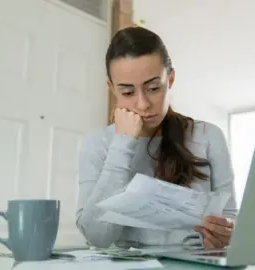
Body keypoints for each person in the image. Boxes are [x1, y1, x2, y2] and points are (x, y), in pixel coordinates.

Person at [75, 26, 238, 250]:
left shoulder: (208, 136)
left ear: (170, 79)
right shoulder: (97, 145)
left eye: (153, 88)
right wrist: (122, 145)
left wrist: (227, 232)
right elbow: (97, 237)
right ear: (112, 89)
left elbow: (231, 218)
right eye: (128, 93)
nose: (142, 104)